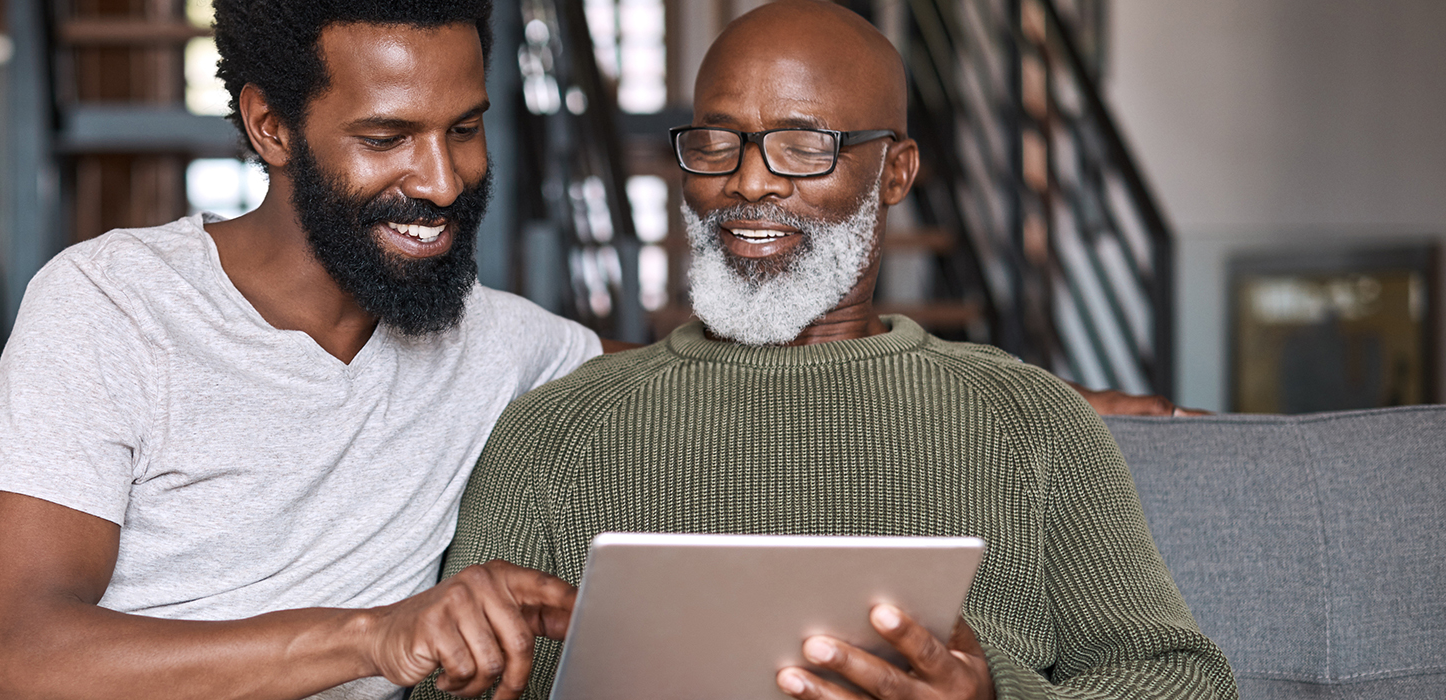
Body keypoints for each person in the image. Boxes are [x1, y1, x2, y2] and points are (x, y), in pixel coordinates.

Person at [417, 2, 1238, 700]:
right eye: (717, 142)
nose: (750, 182)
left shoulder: (1033, 420)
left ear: (896, 171)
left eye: (804, 145)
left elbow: (1182, 679)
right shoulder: (553, 431)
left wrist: (997, 694)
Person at [0, 3, 585, 700]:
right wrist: (371, 636)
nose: (442, 181)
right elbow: (18, 659)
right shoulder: (113, 304)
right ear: (271, 127)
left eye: (464, 129)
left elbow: (684, 371)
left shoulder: (499, 342)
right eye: (386, 138)